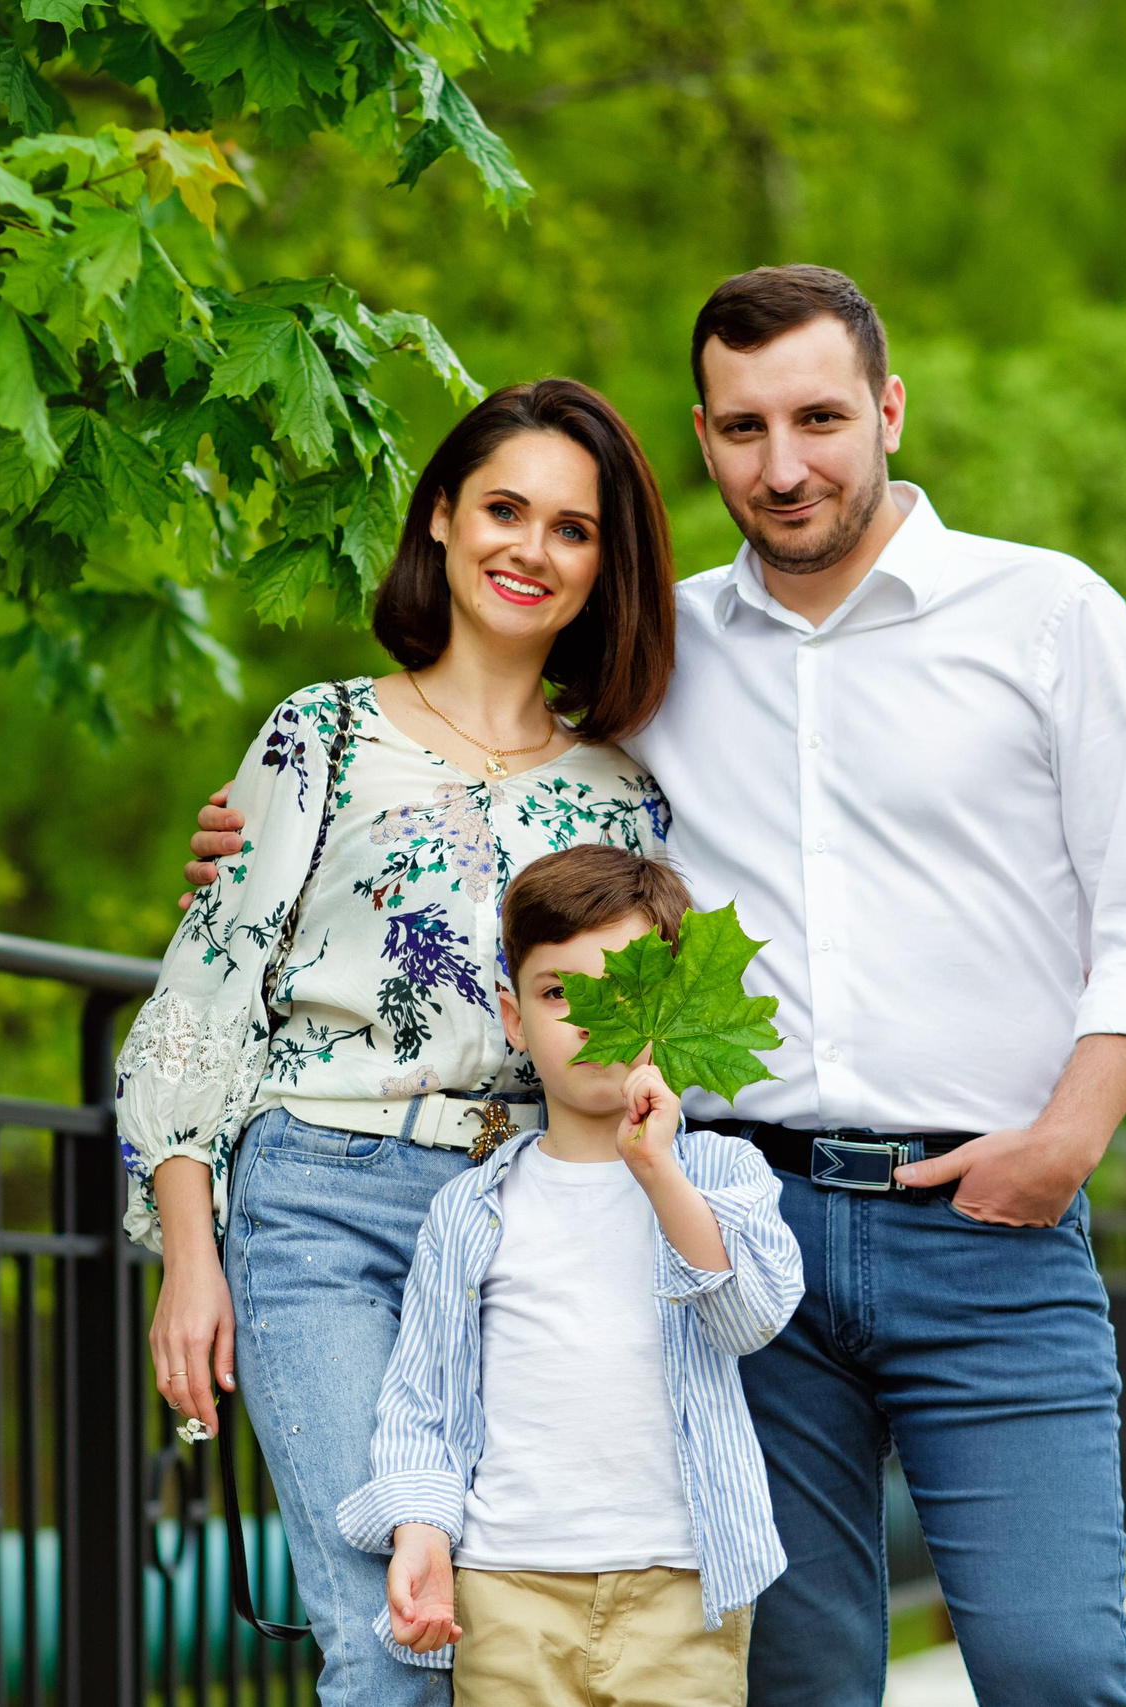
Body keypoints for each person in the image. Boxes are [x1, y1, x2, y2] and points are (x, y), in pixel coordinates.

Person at [184, 265, 1126, 1706]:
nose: (783, 466)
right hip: (735, 1229)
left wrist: (1071, 1139)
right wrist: (263, 832)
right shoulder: (655, 658)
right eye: (743, 429)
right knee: (793, 1676)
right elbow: (493, 791)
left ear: (890, 409)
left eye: (819, 418)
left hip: (990, 1216)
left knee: (1056, 1661)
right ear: (704, 433)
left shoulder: (1046, 614)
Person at [114, 376, 681, 1706]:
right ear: (439, 518)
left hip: (530, 1227)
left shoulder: (626, 795)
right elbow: (200, 1004)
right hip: (323, 1207)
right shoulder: (322, 733)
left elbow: (643, 1038)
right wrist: (189, 1254)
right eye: (502, 508)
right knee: (388, 1632)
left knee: (514, 1631)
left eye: (572, 528)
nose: (529, 549)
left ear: (605, 567)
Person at [336, 845, 802, 1707]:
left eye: (623, 994)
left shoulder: (721, 1175)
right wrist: (421, 1535)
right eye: (559, 994)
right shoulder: (470, 1210)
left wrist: (662, 1173)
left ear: (669, 1006)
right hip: (507, 1587)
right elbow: (423, 1404)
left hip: (680, 1583)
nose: (591, 1021)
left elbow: (753, 1317)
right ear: (514, 1017)